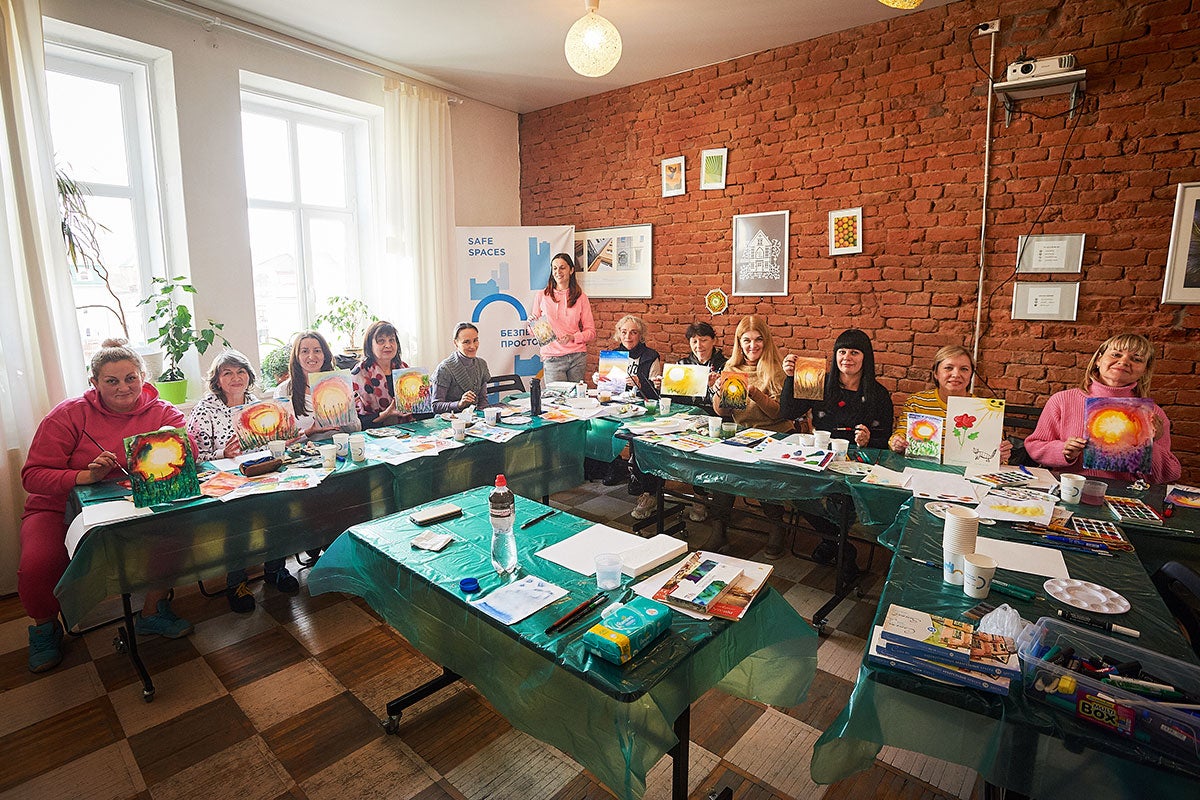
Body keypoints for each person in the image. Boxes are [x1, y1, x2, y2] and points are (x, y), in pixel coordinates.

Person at [20, 339, 195, 673]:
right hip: (57, 506)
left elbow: (190, 456)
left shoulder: (163, 412)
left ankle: (153, 610)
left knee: (175, 536)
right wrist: (84, 475)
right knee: (37, 564)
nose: (123, 387)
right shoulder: (67, 415)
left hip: (130, 502)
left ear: (143, 377)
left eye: (131, 378)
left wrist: (176, 444)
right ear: (94, 383)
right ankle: (45, 627)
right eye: (111, 381)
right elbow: (33, 476)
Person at [187, 350, 298, 612]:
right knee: (241, 520)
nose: (236, 378)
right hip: (223, 479)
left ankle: (275, 570)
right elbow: (193, 458)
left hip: (260, 472)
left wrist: (283, 439)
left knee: (282, 508)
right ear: (217, 379)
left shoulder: (255, 402)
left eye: (241, 372)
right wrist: (221, 453)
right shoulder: (205, 410)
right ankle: (236, 582)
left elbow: (264, 442)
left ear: (249, 376)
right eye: (228, 373)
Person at [781, 329, 893, 573]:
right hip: (820, 458)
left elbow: (887, 439)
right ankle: (838, 542)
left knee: (842, 501)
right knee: (794, 488)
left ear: (866, 357)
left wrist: (869, 439)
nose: (847, 357)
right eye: (842, 352)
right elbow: (788, 412)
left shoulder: (879, 394)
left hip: (858, 463)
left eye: (854, 352)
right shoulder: (820, 382)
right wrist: (790, 377)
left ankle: (834, 543)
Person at [1023, 333, 1181, 483]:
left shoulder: (1153, 413)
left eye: (1136, 359)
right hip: (1069, 490)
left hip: (1126, 498)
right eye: (1116, 354)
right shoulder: (1063, 400)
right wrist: (1064, 451)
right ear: (1098, 359)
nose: (1124, 361)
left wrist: (1150, 443)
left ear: (1145, 370)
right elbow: (1035, 446)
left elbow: (1167, 474)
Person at [708, 316, 791, 558]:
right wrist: (719, 395)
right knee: (722, 471)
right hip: (744, 434)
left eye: (758, 340)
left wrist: (754, 393)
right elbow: (724, 412)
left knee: (761, 473)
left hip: (776, 434)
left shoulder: (776, 369)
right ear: (739, 343)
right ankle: (719, 530)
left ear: (766, 341)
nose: (752, 346)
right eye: (746, 341)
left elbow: (779, 412)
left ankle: (777, 526)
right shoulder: (731, 369)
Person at [888, 345, 1012, 462]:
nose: (956, 374)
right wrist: (897, 442)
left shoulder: (985, 410)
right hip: (922, 470)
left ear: (971, 375)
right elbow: (900, 435)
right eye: (948, 368)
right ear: (936, 373)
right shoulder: (916, 402)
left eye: (964, 369)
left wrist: (1001, 456)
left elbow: (998, 455)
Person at [595, 316, 664, 518]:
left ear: (640, 335)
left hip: (643, 410)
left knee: (642, 444)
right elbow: (607, 388)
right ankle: (613, 467)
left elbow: (656, 392)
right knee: (599, 427)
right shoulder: (614, 355)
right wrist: (599, 379)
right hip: (617, 407)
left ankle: (649, 492)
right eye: (624, 332)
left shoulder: (651, 356)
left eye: (633, 332)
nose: (628, 336)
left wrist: (640, 383)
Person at [530, 252, 595, 383]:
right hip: (552, 358)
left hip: (577, 357)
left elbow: (591, 333)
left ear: (571, 270)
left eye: (562, 267)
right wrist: (532, 325)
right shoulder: (542, 295)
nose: (558, 271)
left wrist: (573, 337)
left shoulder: (581, 297)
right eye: (554, 268)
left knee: (576, 401)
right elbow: (534, 333)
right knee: (555, 401)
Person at [274, 331, 346, 438]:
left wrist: (349, 413)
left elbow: (355, 429)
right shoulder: (283, 390)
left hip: (339, 446)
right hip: (304, 452)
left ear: (325, 355)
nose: (311, 356)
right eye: (305, 351)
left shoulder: (340, 385)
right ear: (297, 356)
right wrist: (310, 431)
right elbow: (282, 440)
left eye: (317, 351)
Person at [351, 320, 418, 429]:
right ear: (370, 345)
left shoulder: (404, 369)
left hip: (408, 431)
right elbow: (358, 422)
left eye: (392, 340)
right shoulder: (358, 374)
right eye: (381, 341)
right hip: (373, 436)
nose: (388, 345)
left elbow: (422, 414)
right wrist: (386, 414)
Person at [431, 322, 492, 414]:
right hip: (450, 422)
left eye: (475, 340)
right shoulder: (444, 369)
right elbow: (435, 406)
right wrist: (459, 404)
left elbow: (483, 400)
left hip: (476, 420)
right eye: (466, 342)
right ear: (456, 343)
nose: (473, 346)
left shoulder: (481, 364)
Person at [663, 321, 727, 408]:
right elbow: (673, 401)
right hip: (685, 415)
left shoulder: (725, 366)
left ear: (714, 340)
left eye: (703, 340)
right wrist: (662, 386)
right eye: (694, 341)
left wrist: (715, 388)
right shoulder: (682, 365)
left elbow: (728, 407)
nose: (699, 346)